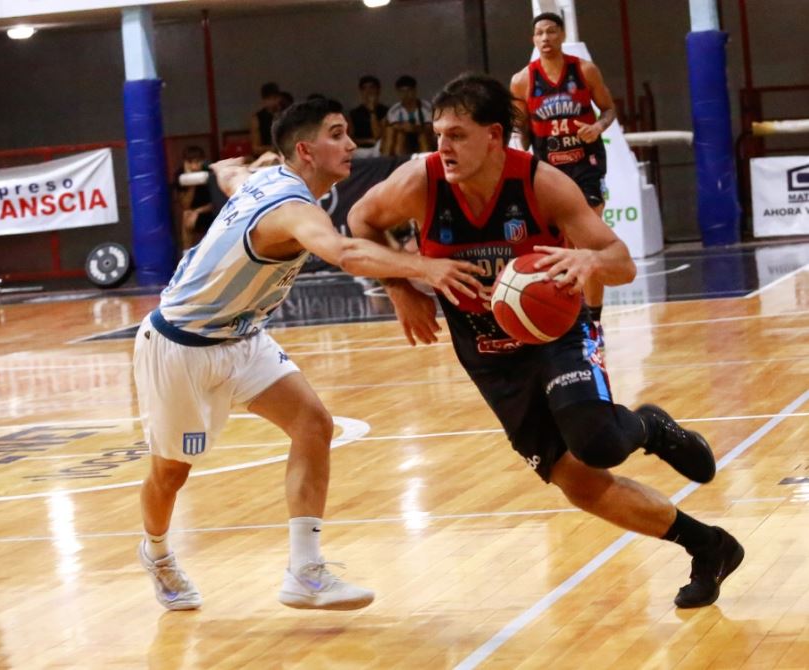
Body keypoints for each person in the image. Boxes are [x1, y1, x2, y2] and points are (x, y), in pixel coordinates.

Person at [347, 73, 744, 609]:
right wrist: (403, 283)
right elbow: (360, 220)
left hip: (558, 334)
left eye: (457, 135)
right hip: (489, 356)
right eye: (438, 134)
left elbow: (622, 262)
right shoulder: (421, 181)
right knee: (579, 484)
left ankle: (650, 426)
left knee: (598, 445)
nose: (443, 147)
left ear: (494, 135)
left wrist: (588, 259)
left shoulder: (541, 183)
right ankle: (710, 546)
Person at [134, 97, 484, 611]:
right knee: (171, 473)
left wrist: (226, 168)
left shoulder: (267, 179)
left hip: (243, 336)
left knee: (314, 424)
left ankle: (304, 571)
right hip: (182, 346)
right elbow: (344, 252)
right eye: (337, 134)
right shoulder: (292, 208)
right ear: (305, 150)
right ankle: (157, 551)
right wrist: (422, 269)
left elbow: (232, 178)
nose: (351, 144)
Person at [510, 12, 616, 348]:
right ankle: (567, 319)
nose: (545, 38)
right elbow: (522, 128)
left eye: (551, 31)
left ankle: (594, 322)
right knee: (559, 247)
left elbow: (609, 109)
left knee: (589, 244)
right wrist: (519, 155)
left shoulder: (584, 70)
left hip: (586, 164)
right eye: (539, 33)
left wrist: (597, 127)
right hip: (549, 170)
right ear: (533, 39)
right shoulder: (522, 80)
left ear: (562, 35)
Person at [173, 145, 217, 252]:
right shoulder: (180, 175)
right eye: (190, 162)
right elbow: (185, 205)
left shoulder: (210, 173)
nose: (194, 166)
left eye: (197, 162)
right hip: (192, 212)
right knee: (186, 215)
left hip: (210, 211)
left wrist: (198, 211)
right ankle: (186, 254)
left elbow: (217, 202)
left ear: (203, 161)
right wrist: (191, 183)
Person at [383, 75, 434, 156]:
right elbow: (392, 127)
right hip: (404, 141)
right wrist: (403, 127)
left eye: (408, 90)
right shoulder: (394, 110)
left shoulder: (426, 107)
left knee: (423, 137)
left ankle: (426, 161)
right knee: (400, 136)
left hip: (423, 137)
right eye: (402, 91)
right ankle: (397, 161)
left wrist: (414, 128)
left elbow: (430, 128)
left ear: (414, 91)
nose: (406, 94)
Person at [347, 75, 388, 158]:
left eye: (372, 88)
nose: (368, 91)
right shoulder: (354, 113)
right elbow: (350, 138)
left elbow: (378, 135)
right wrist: (368, 141)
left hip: (379, 148)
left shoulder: (385, 111)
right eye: (364, 88)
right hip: (360, 149)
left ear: (378, 90)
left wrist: (372, 111)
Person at [249, 82, 284, 157]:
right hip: (266, 157)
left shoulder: (285, 115)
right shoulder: (257, 118)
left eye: (275, 98)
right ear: (264, 100)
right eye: (269, 99)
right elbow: (256, 148)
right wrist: (274, 149)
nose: (273, 102)